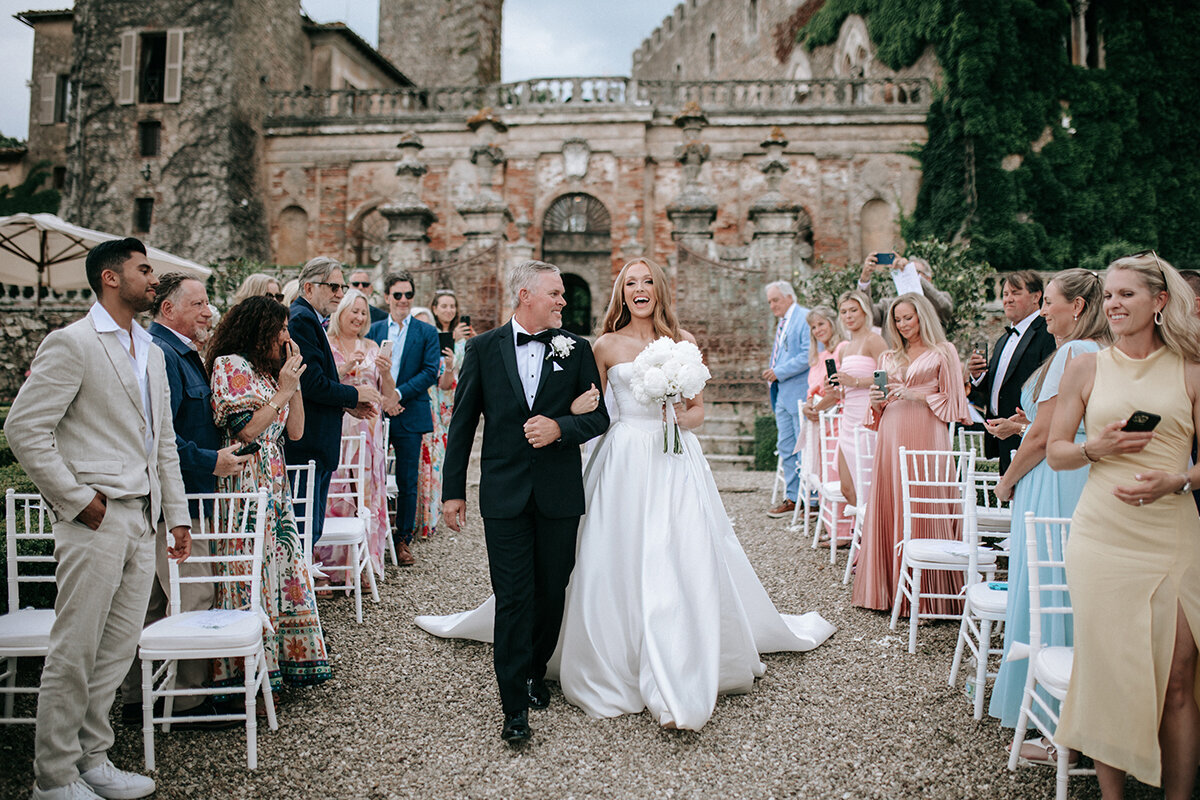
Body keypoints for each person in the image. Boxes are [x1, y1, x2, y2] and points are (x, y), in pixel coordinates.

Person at [417, 257, 835, 732]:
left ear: (659, 289)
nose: (640, 288)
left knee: (677, 556)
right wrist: (568, 416)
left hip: (673, 460)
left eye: (647, 281)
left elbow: (696, 412)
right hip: (622, 459)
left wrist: (673, 415)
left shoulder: (684, 344)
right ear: (622, 292)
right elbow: (592, 407)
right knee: (607, 558)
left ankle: (678, 657)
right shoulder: (600, 346)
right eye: (630, 282)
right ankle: (545, 683)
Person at [5, 238, 191, 800]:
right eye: (143, 270)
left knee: (116, 650)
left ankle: (92, 758)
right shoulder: (73, 343)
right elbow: (24, 429)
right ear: (111, 278)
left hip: (143, 520)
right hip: (94, 517)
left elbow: (162, 444)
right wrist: (77, 499)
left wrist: (176, 515)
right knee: (75, 649)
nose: (153, 278)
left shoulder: (152, 351)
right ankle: (53, 776)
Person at [436, 259, 610, 744]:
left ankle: (535, 670)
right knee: (513, 598)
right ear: (524, 295)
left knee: (551, 590)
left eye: (561, 294)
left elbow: (600, 419)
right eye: (554, 293)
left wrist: (561, 427)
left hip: (558, 494)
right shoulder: (483, 348)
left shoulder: (576, 349)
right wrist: (453, 491)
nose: (562, 300)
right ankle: (513, 706)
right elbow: (463, 424)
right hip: (504, 494)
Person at [1046, 252, 1200, 798]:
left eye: (1126, 294)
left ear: (1160, 302)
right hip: (1101, 535)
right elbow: (1057, 451)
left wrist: (1178, 480)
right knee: (1107, 670)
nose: (1113, 303)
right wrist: (1097, 446)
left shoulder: (1190, 368)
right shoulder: (1085, 366)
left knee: (1180, 676)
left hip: (1170, 534)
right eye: (1108, 294)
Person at [983, 269, 1111, 744]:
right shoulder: (1098, 350)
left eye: (1049, 303)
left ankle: (1048, 714)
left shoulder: (1076, 352)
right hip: (1075, 476)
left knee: (1047, 587)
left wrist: (1007, 480)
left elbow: (1043, 436)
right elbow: (1049, 422)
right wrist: (1023, 424)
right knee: (1067, 587)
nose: (1042, 312)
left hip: (1052, 479)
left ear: (1075, 307)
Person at [117, 273, 249, 727]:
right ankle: (188, 700)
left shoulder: (179, 352)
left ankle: (139, 698)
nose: (208, 311)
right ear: (168, 310)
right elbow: (161, 436)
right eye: (198, 303)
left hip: (178, 494)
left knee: (152, 601)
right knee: (192, 596)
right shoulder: (163, 355)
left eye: (207, 302)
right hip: (182, 496)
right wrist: (212, 461)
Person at [207, 296, 333, 691]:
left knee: (281, 573)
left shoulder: (266, 372)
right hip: (245, 488)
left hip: (274, 487)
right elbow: (246, 429)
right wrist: (281, 391)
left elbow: (294, 431)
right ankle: (248, 676)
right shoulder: (230, 366)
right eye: (279, 328)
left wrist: (290, 384)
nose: (286, 335)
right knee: (251, 576)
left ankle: (283, 665)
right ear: (258, 328)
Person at [852, 293, 972, 614]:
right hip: (892, 431)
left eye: (909, 317)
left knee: (924, 495)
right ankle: (888, 592)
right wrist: (877, 400)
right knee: (892, 498)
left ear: (923, 316)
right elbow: (875, 408)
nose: (903, 325)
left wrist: (916, 396)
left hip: (926, 432)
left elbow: (954, 403)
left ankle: (932, 593)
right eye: (898, 320)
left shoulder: (943, 352)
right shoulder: (888, 356)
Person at [285, 257, 381, 546]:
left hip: (320, 436)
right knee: (305, 526)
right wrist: (355, 394)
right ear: (309, 287)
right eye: (334, 287)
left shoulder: (311, 317)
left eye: (342, 286)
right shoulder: (302, 318)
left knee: (312, 525)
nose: (341, 293)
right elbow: (310, 382)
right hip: (309, 439)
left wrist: (348, 405)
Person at [317, 289, 395, 576]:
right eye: (355, 311)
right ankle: (328, 570)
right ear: (341, 313)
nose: (360, 318)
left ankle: (361, 567)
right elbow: (317, 385)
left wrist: (385, 373)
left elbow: (390, 396)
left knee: (365, 497)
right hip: (337, 427)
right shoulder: (326, 346)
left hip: (368, 431)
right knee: (334, 496)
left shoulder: (373, 346)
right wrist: (344, 369)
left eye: (364, 313)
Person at [367, 271, 440, 566]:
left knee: (409, 480)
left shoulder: (426, 332)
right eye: (397, 295)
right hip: (375, 412)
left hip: (409, 412)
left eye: (408, 295)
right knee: (374, 476)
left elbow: (429, 371)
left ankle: (402, 539)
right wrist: (383, 401)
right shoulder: (373, 330)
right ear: (387, 298)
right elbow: (366, 370)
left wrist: (396, 395)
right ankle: (374, 536)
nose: (403, 300)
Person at [967, 270, 1056, 473]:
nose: (1007, 299)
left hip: (1027, 433)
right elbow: (997, 386)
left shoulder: (1046, 333)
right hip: (1002, 435)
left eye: (1015, 293)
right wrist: (978, 376)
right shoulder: (1003, 339)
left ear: (1036, 297)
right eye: (1006, 294)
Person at [828, 290, 888, 507]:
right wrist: (837, 390)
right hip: (848, 419)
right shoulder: (845, 348)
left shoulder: (875, 340)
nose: (848, 316)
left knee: (868, 482)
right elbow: (847, 389)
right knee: (847, 487)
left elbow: (887, 377)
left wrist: (854, 381)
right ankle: (862, 531)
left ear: (864, 312)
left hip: (867, 419)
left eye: (853, 310)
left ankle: (867, 536)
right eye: (843, 312)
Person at [762, 280, 810, 518]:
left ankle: (809, 499)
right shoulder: (784, 321)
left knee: (802, 449)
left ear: (789, 296)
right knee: (786, 447)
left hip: (799, 393)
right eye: (770, 301)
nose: (772, 305)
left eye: (775, 300)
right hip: (782, 393)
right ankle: (792, 497)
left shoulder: (804, 318)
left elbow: (807, 355)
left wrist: (779, 371)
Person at [857, 252, 954, 331]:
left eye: (916, 272)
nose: (909, 275)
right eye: (904, 271)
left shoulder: (940, 299)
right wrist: (864, 278)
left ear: (928, 279)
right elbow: (868, 314)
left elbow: (943, 307)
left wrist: (909, 270)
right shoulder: (888, 305)